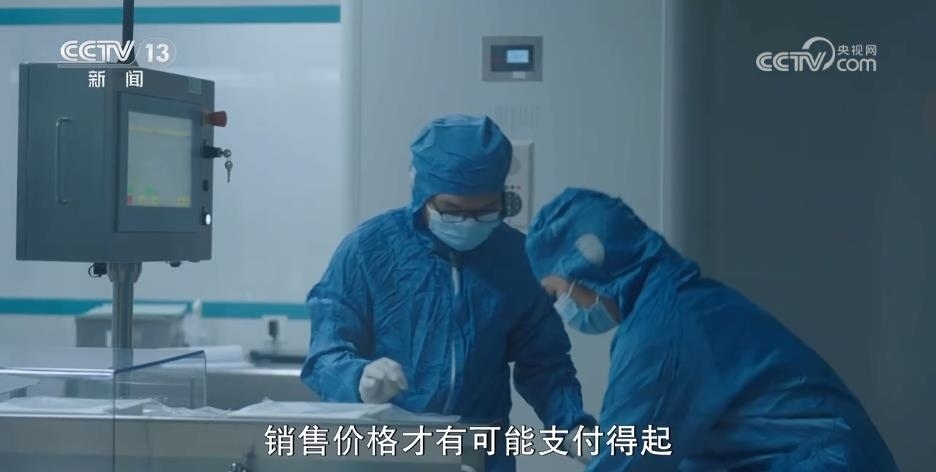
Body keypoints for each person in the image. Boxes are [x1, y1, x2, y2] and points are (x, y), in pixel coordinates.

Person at [524, 187, 899, 471]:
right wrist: (570, 430)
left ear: (587, 266)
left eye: (556, 293)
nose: (562, 309)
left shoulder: (663, 334)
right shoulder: (677, 300)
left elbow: (625, 460)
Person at [300, 115, 595, 471]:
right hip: (383, 453)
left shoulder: (519, 260)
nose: (469, 222)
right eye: (452, 211)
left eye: (485, 210)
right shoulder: (368, 251)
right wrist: (357, 379)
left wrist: (576, 431)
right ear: (422, 194)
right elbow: (325, 354)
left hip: (477, 455)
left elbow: (545, 365)